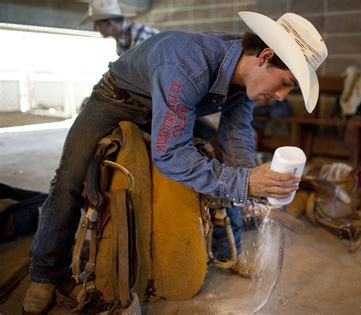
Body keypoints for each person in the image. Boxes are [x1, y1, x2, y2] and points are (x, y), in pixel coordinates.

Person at [22, 11, 328, 314]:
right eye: (285, 82)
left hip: (176, 103)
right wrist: (244, 182)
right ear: (265, 56)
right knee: (69, 180)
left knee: (224, 165)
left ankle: (226, 248)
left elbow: (236, 137)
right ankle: (45, 273)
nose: (281, 95)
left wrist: (251, 185)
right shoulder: (187, 63)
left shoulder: (244, 74)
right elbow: (169, 154)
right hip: (117, 100)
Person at [80, 0, 159, 56]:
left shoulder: (138, 33)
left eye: (97, 25)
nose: (95, 29)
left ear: (108, 23)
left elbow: (141, 69)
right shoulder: (122, 41)